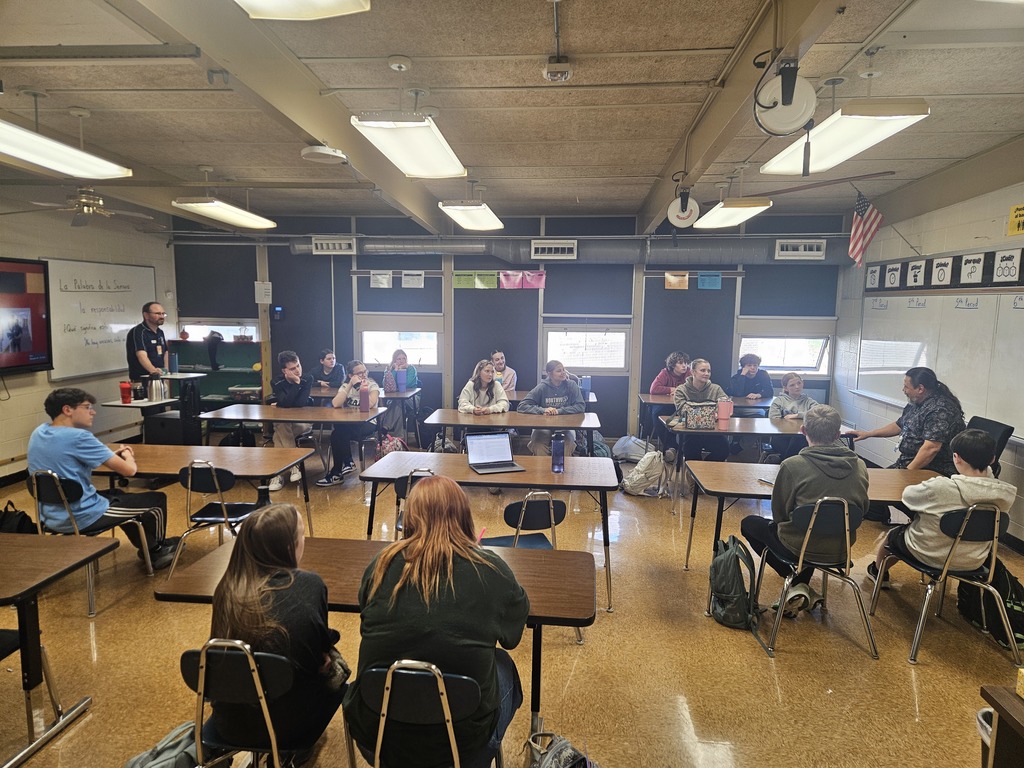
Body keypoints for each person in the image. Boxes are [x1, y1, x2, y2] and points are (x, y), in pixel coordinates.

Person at [342, 476, 528, 768]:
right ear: (464, 516)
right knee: (503, 664)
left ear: (410, 518)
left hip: (378, 738)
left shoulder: (380, 564)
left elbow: (369, 619)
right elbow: (512, 637)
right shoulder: (492, 569)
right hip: (464, 746)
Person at [210, 504, 345, 750]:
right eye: (302, 535)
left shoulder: (227, 588)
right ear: (289, 547)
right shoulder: (310, 584)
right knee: (337, 667)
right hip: (288, 727)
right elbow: (317, 654)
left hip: (228, 723)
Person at [27, 387, 177, 569]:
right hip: (82, 516)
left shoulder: (39, 432)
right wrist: (128, 455)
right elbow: (129, 471)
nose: (93, 412)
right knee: (156, 500)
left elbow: (67, 458)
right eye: (87, 407)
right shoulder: (80, 437)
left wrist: (106, 456)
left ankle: (150, 545)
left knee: (120, 495)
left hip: (50, 516)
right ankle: (157, 551)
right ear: (67, 410)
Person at [741, 405, 869, 617]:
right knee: (812, 527)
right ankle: (800, 584)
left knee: (751, 523)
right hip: (840, 547)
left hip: (799, 545)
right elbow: (862, 510)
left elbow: (780, 513)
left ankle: (796, 581)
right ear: (838, 435)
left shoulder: (793, 465)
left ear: (803, 431)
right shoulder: (861, 466)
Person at [868, 429, 1017, 589]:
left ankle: (878, 572)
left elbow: (908, 497)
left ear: (956, 457)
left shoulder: (940, 487)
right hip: (974, 560)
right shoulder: (1006, 494)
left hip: (929, 555)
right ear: (993, 459)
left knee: (893, 535)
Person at [848, 366, 966, 476]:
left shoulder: (940, 410)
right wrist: (868, 434)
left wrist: (906, 474)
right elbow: (900, 425)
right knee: (868, 480)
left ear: (920, 388)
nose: (903, 390)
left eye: (906, 387)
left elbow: (931, 448)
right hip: (907, 463)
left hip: (931, 470)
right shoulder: (916, 403)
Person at [316, 360, 380, 487]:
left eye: (364, 371)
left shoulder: (372, 385)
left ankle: (338, 471)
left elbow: (369, 405)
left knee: (338, 432)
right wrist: (350, 385)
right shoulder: (346, 386)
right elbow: (336, 403)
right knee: (337, 433)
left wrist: (360, 387)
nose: (363, 375)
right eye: (359, 373)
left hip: (367, 423)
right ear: (351, 375)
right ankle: (345, 464)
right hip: (349, 423)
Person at [516, 359, 585, 456]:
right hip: (543, 426)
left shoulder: (571, 385)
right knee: (538, 445)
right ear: (549, 373)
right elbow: (522, 406)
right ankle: (543, 470)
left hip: (566, 426)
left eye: (563, 370)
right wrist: (542, 410)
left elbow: (580, 406)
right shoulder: (542, 387)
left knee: (567, 444)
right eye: (559, 371)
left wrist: (559, 411)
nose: (563, 373)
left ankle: (563, 469)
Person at [268, 350, 313, 492]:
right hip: (285, 423)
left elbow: (299, 403)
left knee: (279, 433)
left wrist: (297, 382)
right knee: (282, 424)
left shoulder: (307, 379)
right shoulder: (277, 381)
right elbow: (285, 403)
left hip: (303, 423)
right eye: (292, 369)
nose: (297, 370)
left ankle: (277, 475)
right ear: (284, 370)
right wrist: (294, 386)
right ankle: (294, 466)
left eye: (298, 366)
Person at [671, 358, 730, 463]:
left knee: (724, 449)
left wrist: (699, 410)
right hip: (690, 431)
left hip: (711, 431)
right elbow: (682, 410)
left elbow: (725, 405)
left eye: (709, 371)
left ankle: (705, 471)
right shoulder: (681, 390)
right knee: (691, 451)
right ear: (693, 372)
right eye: (703, 370)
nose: (706, 373)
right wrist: (710, 411)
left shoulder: (716, 389)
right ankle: (694, 476)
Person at [766, 372, 820, 460]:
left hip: (803, 436)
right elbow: (774, 420)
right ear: (785, 388)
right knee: (794, 444)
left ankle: (785, 462)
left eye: (799, 383)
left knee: (800, 439)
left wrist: (797, 416)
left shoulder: (808, 401)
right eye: (792, 385)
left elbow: (818, 413)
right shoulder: (779, 401)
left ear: (803, 383)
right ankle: (791, 463)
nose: (797, 387)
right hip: (781, 437)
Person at [649, 351, 690, 447]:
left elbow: (692, 389)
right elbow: (653, 389)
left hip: (682, 405)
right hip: (665, 406)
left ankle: (683, 447)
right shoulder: (665, 373)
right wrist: (671, 389)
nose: (684, 366)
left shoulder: (689, 372)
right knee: (657, 413)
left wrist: (679, 391)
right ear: (672, 365)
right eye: (680, 363)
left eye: (686, 363)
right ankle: (671, 447)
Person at [380, 349, 421, 435]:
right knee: (400, 405)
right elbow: (385, 384)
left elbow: (407, 384)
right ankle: (399, 439)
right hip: (395, 400)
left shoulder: (411, 369)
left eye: (404, 358)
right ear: (394, 360)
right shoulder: (389, 369)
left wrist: (401, 371)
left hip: (412, 399)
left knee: (399, 401)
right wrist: (395, 370)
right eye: (399, 359)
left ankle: (385, 427)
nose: (402, 361)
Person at [125, 301, 168, 381]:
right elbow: (141, 355)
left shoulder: (160, 332)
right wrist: (153, 371)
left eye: (163, 314)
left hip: (160, 377)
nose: (162, 316)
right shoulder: (139, 332)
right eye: (158, 314)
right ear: (146, 315)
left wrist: (165, 371)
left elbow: (165, 353)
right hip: (143, 379)